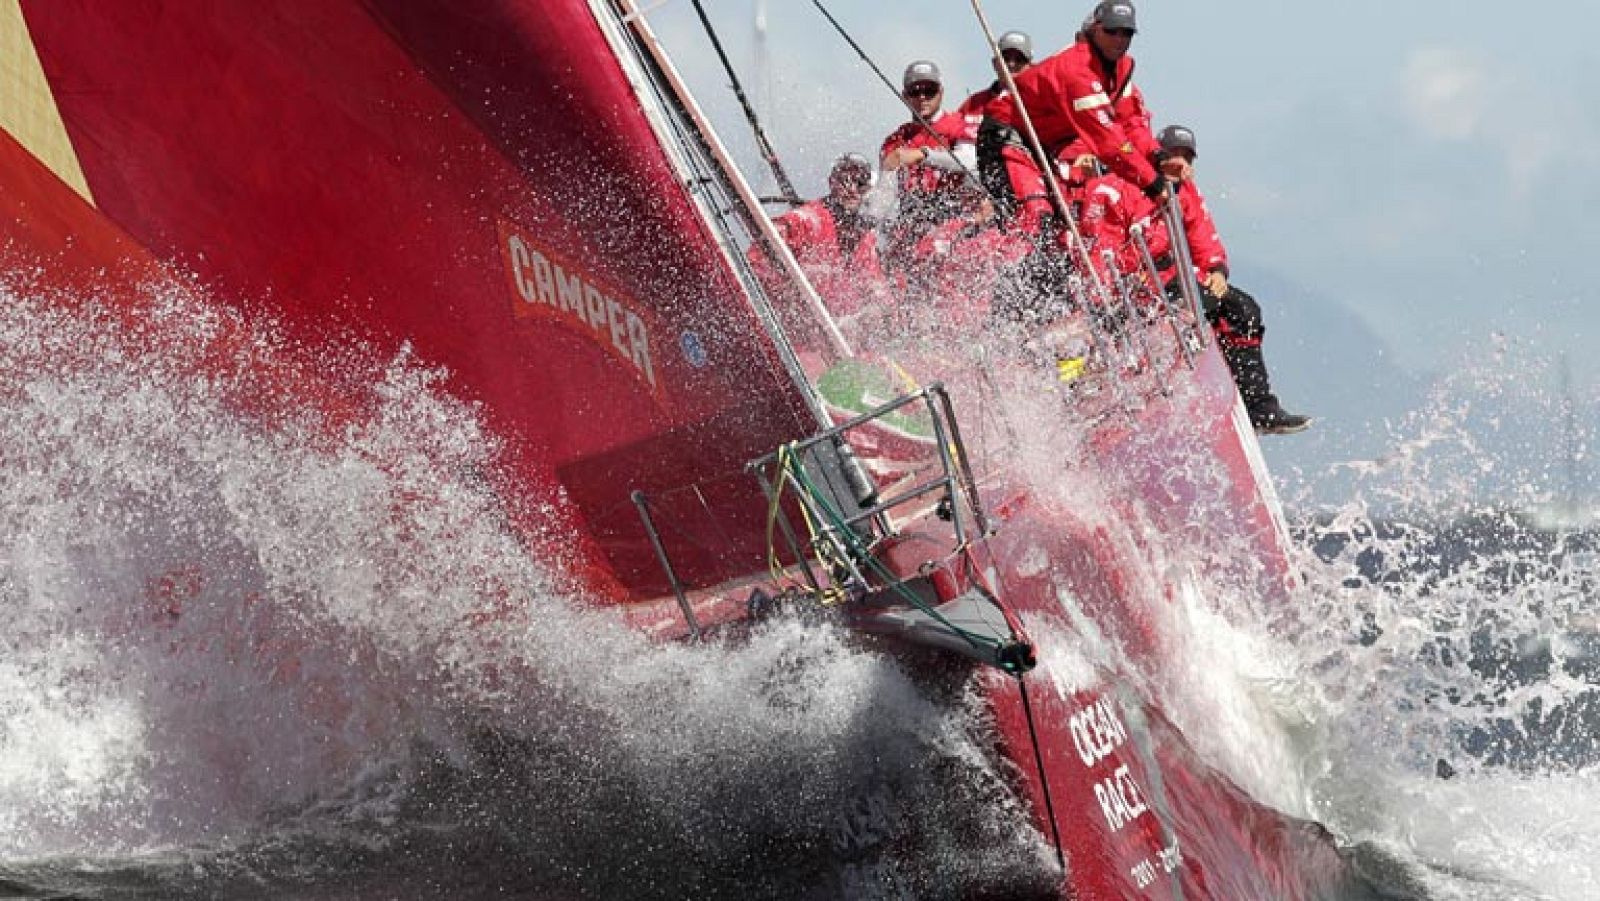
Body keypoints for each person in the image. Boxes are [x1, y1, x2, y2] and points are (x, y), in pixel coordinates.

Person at [1155, 124, 1310, 434]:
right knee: (1200, 307)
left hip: (1183, 279)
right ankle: (1181, 407)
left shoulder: (1187, 192)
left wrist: (1216, 271)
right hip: (1148, 283)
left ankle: (1259, 407)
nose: (1181, 164)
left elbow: (1204, 236)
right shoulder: (1134, 185)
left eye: (1187, 158)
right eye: (1173, 155)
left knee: (1243, 309)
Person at [980, 1, 1185, 234]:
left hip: (1046, 145)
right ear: (1096, 29)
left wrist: (1157, 157)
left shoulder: (1121, 70)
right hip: (1008, 136)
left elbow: (1130, 124)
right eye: (1112, 31)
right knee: (1036, 215)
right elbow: (1107, 140)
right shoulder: (1076, 71)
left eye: (1127, 33)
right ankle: (992, 263)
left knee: (1062, 222)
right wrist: (1153, 183)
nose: (1120, 39)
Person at [747, 153, 889, 346]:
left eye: (860, 183)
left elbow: (877, 288)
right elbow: (754, 263)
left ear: (869, 190)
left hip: (841, 347)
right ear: (832, 182)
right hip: (793, 345)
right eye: (844, 180)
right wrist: (792, 290)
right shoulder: (804, 221)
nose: (851, 189)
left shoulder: (864, 238)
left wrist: (876, 311)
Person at [880, 60, 979, 271]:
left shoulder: (959, 125)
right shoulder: (896, 139)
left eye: (929, 90)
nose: (922, 97)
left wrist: (923, 155)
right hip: (909, 219)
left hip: (951, 216)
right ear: (905, 96)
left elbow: (968, 161)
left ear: (941, 92)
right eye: (915, 91)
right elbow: (885, 189)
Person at [958, 30, 1034, 122]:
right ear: (995, 63)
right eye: (1005, 59)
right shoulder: (973, 103)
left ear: (1030, 66)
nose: (1011, 64)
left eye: (1019, 59)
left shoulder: (1037, 102)